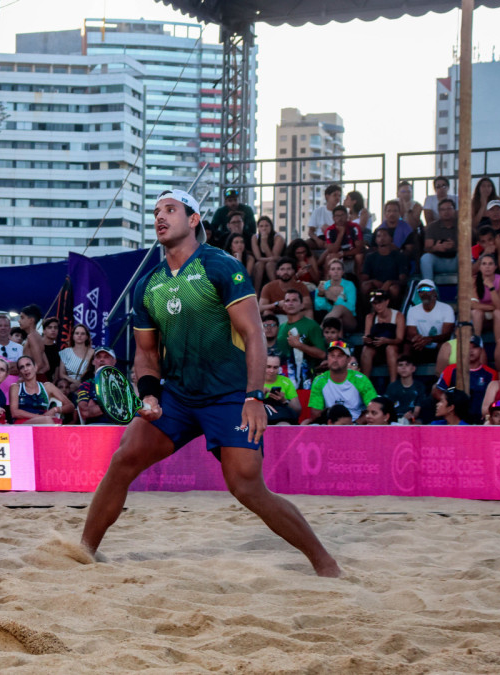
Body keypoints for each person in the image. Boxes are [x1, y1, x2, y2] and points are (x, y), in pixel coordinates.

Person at [79, 188, 340, 577]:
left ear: (193, 219)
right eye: (156, 211)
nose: (160, 217)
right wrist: (150, 395)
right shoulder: (147, 285)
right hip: (178, 395)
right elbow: (147, 354)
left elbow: (254, 334)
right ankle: (83, 553)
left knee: (247, 487)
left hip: (230, 396)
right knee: (123, 459)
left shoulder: (220, 266)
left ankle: (325, 563)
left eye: (170, 209)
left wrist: (254, 397)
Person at [304, 341, 377, 424]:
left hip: (356, 425)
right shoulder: (319, 380)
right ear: (328, 358)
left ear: (348, 359)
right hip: (331, 425)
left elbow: (374, 408)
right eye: (332, 355)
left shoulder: (360, 379)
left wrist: (354, 425)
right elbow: (316, 413)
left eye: (340, 356)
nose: (335, 359)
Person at [434, 336, 497, 424]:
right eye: (467, 347)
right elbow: (438, 392)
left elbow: (494, 400)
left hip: (481, 420)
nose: (471, 350)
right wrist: (451, 405)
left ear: (481, 350)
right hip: (456, 420)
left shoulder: (491, 374)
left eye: (475, 347)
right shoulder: (451, 369)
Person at [276, 288, 327, 386]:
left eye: (294, 300)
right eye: (287, 301)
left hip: (305, 378)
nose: (290, 303)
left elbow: (322, 354)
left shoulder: (312, 325)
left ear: (302, 305)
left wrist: (299, 345)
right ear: (284, 306)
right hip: (283, 378)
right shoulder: (281, 327)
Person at [8, 355, 72, 425]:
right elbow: (15, 413)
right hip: (23, 425)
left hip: (43, 424)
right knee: (48, 421)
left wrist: (55, 409)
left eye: (28, 365)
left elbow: (70, 406)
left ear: (35, 367)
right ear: (20, 372)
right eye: (22, 367)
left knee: (49, 422)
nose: (25, 369)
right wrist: (41, 417)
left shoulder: (47, 386)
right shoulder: (16, 387)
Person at [360, 290, 405, 384]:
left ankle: (393, 383)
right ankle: (365, 383)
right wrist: (367, 339)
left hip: (393, 347)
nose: (377, 306)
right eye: (374, 303)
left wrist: (386, 341)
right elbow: (367, 335)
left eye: (379, 303)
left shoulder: (398, 316)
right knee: (366, 350)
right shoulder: (370, 317)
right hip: (376, 349)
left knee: (390, 349)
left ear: (387, 302)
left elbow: (400, 339)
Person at [405, 280, 455, 362]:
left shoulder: (446, 309)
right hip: (421, 345)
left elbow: (446, 335)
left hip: (438, 344)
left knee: (444, 345)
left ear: (435, 293)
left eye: (427, 289)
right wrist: (418, 339)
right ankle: (406, 368)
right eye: (420, 290)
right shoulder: (413, 310)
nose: (424, 293)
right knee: (407, 345)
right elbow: (411, 333)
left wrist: (430, 339)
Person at [361, 227, 409, 310]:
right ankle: (368, 312)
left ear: (391, 239)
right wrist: (373, 281)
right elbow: (364, 278)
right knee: (365, 286)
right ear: (375, 240)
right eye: (379, 236)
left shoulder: (400, 256)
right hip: (375, 288)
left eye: (385, 235)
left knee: (394, 289)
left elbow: (403, 280)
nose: (382, 238)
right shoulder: (370, 257)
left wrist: (390, 282)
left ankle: (394, 311)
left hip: (391, 287)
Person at [74, 346, 120, 425]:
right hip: (95, 426)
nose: (102, 360)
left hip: (119, 426)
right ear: (93, 362)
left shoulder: (122, 383)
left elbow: (128, 412)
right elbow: (85, 412)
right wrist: (113, 402)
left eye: (106, 357)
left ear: (114, 361)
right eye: (98, 357)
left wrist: (96, 405)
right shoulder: (86, 384)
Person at [471, 253, 500, 345]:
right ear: (480, 267)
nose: (487, 267)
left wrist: (491, 288)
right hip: (483, 314)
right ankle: (477, 344)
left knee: (498, 312)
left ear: (495, 267)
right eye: (484, 264)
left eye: (490, 264)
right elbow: (474, 305)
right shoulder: (474, 280)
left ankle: (499, 346)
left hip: (499, 314)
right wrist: (493, 307)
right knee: (476, 312)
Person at [421, 198, 459, 282]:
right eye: (443, 209)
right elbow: (427, 248)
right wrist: (436, 248)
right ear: (439, 212)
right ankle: (428, 286)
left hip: (456, 261)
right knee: (425, 258)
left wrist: (454, 247)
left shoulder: (461, 225)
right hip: (439, 261)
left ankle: (463, 288)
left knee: (466, 256)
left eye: (449, 209)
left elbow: (469, 246)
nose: (446, 212)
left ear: (454, 210)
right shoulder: (432, 227)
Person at [318, 205, 364, 274]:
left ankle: (359, 279)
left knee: (359, 256)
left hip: (352, 253)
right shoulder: (330, 230)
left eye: (342, 215)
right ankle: (328, 280)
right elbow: (333, 250)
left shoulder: (354, 227)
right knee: (330, 257)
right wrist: (341, 233)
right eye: (337, 216)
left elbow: (359, 248)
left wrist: (344, 253)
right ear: (333, 218)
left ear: (347, 216)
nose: (340, 218)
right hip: (337, 254)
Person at [314, 259, 357, 332]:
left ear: (343, 272)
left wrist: (334, 298)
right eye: (333, 269)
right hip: (331, 319)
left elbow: (351, 308)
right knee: (337, 318)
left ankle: (319, 331)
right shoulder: (323, 285)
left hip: (349, 320)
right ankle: (338, 339)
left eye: (339, 269)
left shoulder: (349, 285)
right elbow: (318, 308)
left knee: (340, 308)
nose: (336, 271)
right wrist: (321, 295)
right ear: (329, 272)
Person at [384, 355, 425, 424]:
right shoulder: (392, 387)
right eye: (400, 365)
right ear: (397, 369)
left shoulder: (419, 386)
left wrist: (410, 417)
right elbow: (388, 408)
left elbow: (417, 411)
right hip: (395, 420)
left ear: (413, 368)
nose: (403, 367)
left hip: (412, 420)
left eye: (407, 365)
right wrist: (401, 419)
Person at [56, 323, 94, 396]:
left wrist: (81, 383)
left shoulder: (93, 353)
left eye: (82, 334)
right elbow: (61, 374)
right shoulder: (65, 352)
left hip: (87, 388)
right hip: (69, 388)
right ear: (73, 336)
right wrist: (74, 382)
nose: (79, 335)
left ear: (87, 337)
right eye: (77, 333)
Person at [263, 352, 300, 425]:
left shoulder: (286, 381)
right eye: (268, 367)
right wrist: (259, 397)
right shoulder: (253, 380)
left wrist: (284, 400)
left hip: (280, 419)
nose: (271, 370)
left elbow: (298, 411)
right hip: (258, 418)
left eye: (275, 367)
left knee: (284, 425)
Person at [249, 215, 285, 290]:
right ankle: (256, 292)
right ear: (258, 228)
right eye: (261, 226)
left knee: (269, 265)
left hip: (276, 264)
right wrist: (273, 258)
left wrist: (264, 244)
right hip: (261, 263)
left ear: (271, 226)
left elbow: (274, 257)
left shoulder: (278, 237)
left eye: (266, 226)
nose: (264, 228)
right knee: (259, 264)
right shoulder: (255, 237)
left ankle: (277, 289)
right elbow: (258, 257)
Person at [17, 304, 50, 378]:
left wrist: (26, 377)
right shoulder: (38, 336)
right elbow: (47, 366)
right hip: (38, 377)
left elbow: (39, 363)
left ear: (31, 320)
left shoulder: (31, 337)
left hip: (34, 379)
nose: (19, 320)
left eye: (22, 317)